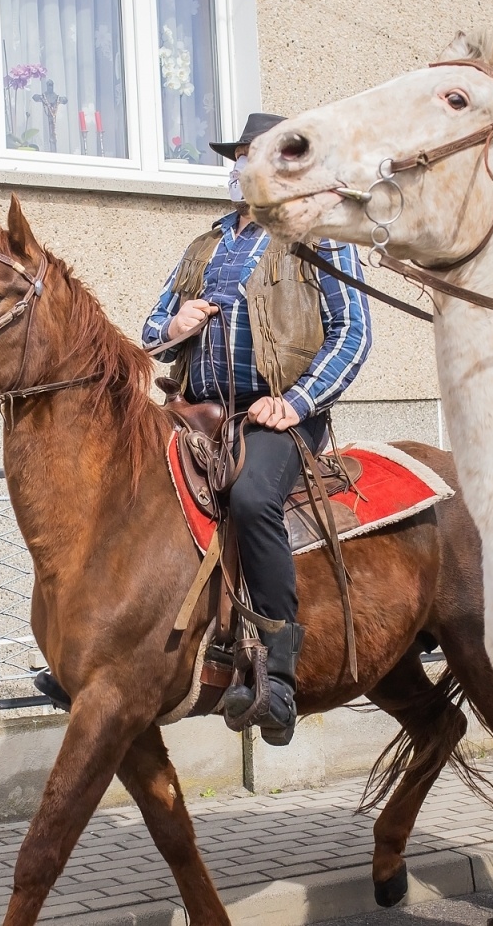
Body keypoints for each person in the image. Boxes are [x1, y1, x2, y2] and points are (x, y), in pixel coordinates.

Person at [34, 113, 372, 746]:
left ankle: (278, 672)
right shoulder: (205, 245)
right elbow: (152, 330)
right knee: (122, 483)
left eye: (261, 157)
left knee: (249, 497)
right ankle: (98, 648)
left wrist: (298, 402)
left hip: (274, 413)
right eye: (241, 157)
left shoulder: (321, 238)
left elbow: (353, 333)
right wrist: (176, 327)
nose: (246, 168)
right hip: (195, 407)